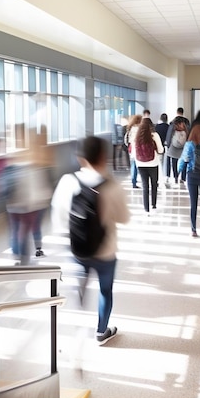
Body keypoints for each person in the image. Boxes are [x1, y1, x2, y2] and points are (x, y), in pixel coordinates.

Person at [51, 136, 130, 344]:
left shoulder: (67, 182)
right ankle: (101, 330)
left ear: (80, 158)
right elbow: (124, 218)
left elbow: (58, 218)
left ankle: (76, 326)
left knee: (80, 288)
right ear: (104, 157)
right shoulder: (112, 186)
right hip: (106, 250)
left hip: (78, 249)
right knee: (105, 290)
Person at [134, 117, 164, 214]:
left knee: (145, 185)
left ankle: (146, 208)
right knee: (154, 184)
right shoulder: (154, 135)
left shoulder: (137, 136)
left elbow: (134, 152)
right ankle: (153, 204)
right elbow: (161, 150)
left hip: (140, 164)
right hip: (153, 163)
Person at [165, 114, 189, 186]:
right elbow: (188, 135)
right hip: (183, 146)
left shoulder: (172, 125)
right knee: (184, 161)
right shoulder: (186, 125)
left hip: (173, 146)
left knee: (174, 162)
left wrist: (168, 145)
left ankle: (176, 177)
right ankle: (183, 178)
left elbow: (169, 135)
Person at [124, 114, 143, 188]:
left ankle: (133, 182)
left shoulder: (130, 129)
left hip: (132, 149)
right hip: (139, 149)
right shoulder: (140, 129)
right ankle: (141, 180)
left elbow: (126, 140)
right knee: (140, 165)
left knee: (133, 165)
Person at [155, 113, 170, 179]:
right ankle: (166, 176)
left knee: (159, 161)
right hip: (166, 145)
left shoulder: (157, 126)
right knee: (166, 162)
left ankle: (159, 175)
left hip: (158, 145)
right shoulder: (168, 126)